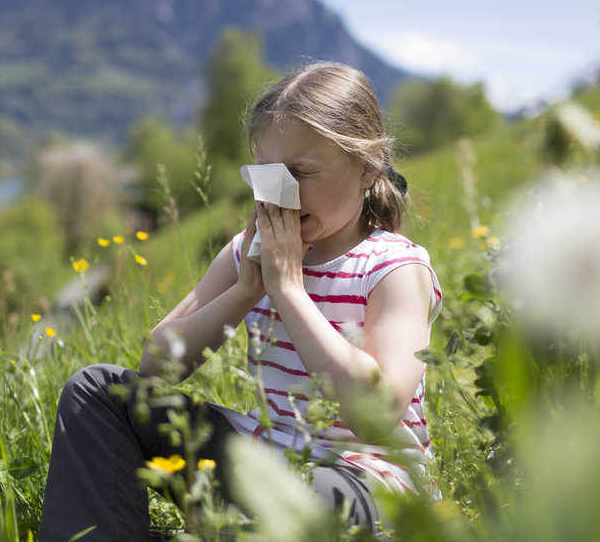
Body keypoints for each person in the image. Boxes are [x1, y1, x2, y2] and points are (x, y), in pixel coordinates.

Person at [39, 62, 442, 541]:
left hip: (367, 481)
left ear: (368, 165)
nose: (283, 192)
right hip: (268, 456)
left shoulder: (395, 267)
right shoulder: (247, 253)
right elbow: (154, 364)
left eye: (303, 172)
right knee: (97, 392)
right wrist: (246, 290)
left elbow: (376, 412)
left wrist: (289, 291)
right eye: (270, 175)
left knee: (308, 502)